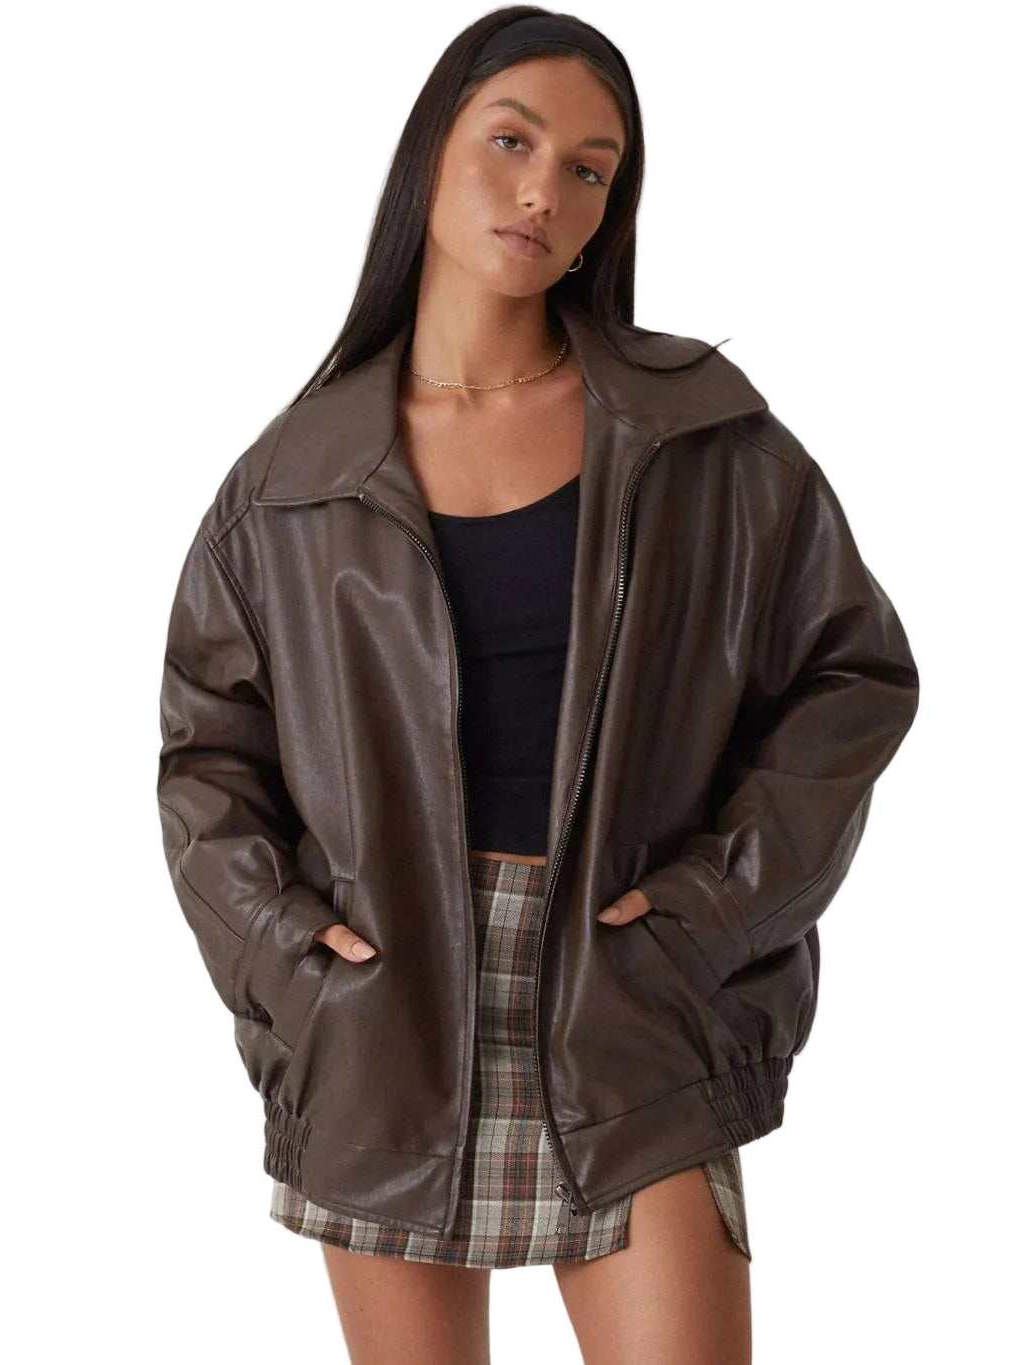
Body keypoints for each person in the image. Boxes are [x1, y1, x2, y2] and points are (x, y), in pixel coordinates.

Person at [156, 8, 919, 1362]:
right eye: (511, 141)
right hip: (386, 1009)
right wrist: (287, 953)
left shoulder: (699, 433)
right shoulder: (289, 482)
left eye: (588, 168)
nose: (542, 192)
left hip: (626, 992)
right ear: (430, 151)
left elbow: (850, 674)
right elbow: (210, 758)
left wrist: (712, 909)